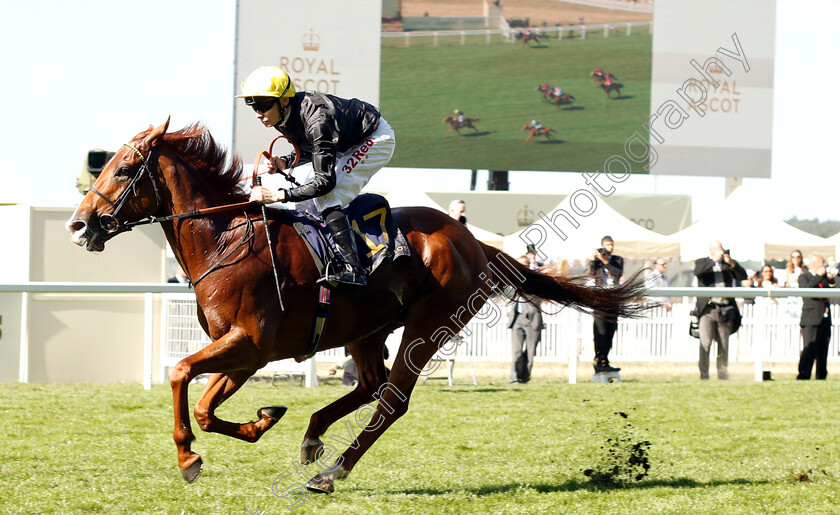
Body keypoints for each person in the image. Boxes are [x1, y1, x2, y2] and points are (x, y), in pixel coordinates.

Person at [239, 66, 395, 287]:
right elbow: (310, 148)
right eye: (252, 105)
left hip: (374, 138)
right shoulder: (283, 116)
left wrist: (278, 195)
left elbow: (325, 182)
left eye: (263, 105)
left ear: (284, 101)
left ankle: (354, 269)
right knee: (307, 197)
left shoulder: (317, 120)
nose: (258, 113)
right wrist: (285, 161)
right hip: (343, 143)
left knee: (328, 196)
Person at [693, 240, 747, 380]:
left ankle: (722, 374)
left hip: (725, 308)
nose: (721, 252)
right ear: (711, 250)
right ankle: (704, 374)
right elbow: (698, 272)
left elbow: (742, 276)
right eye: (718, 249)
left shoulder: (727, 265)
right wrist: (714, 260)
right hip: (708, 308)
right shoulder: (703, 262)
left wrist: (731, 263)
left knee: (723, 344)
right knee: (705, 343)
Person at [588, 236, 625, 373]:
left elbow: (617, 274)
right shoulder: (596, 262)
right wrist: (594, 259)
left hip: (613, 301)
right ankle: (600, 360)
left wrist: (606, 261)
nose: (610, 248)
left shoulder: (617, 260)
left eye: (611, 245)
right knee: (600, 332)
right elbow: (591, 274)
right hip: (599, 301)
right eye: (607, 245)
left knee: (610, 332)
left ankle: (605, 360)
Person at [797, 253, 834, 380]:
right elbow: (807, 290)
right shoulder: (804, 277)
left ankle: (821, 374)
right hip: (810, 317)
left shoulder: (823, 278)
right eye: (821, 262)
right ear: (814, 264)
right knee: (809, 347)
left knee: (823, 348)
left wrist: (830, 279)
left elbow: (833, 286)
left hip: (825, 316)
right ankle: (804, 373)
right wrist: (818, 275)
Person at [508, 256, 543, 383]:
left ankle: (524, 378)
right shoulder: (511, 278)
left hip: (533, 319)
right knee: (516, 352)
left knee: (530, 354)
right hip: (517, 318)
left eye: (525, 264)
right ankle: (514, 379)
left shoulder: (536, 279)